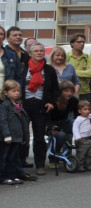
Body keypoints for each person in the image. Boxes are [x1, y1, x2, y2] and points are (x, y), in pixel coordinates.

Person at [22, 42, 60, 176]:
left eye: (41, 51)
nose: (39, 53)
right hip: (24, 104)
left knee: (39, 137)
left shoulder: (49, 69)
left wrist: (51, 102)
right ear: (30, 53)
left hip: (41, 105)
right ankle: (19, 164)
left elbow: (56, 88)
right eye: (36, 51)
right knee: (22, 135)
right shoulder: (23, 67)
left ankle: (40, 165)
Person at [0, 80, 37, 183]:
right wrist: (6, 135)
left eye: (18, 91)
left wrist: (24, 137)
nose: (17, 93)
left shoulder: (18, 105)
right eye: (13, 91)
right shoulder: (5, 105)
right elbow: (3, 121)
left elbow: (23, 122)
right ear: (5, 92)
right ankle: (3, 177)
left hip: (17, 137)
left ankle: (13, 175)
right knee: (4, 157)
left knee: (13, 158)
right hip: (8, 137)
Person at [46, 80, 80, 162]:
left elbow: (77, 116)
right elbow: (46, 117)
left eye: (71, 91)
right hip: (52, 122)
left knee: (72, 126)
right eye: (66, 91)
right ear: (60, 91)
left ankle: (68, 154)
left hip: (65, 121)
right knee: (61, 135)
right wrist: (50, 129)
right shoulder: (53, 100)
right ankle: (54, 156)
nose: (69, 93)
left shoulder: (73, 101)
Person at [72, 100, 91, 171]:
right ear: (79, 111)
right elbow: (75, 128)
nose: (87, 111)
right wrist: (78, 137)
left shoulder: (89, 116)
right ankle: (79, 165)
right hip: (82, 140)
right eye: (85, 109)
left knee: (90, 153)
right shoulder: (78, 119)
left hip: (89, 139)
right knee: (81, 153)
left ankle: (88, 164)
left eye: (89, 109)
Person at [68, 35, 91, 103]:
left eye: (83, 42)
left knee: (85, 112)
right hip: (69, 91)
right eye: (79, 42)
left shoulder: (88, 57)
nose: (82, 44)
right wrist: (84, 73)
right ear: (72, 43)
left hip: (85, 92)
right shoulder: (66, 56)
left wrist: (72, 72)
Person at [2, 26, 29, 92]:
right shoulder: (4, 54)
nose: (18, 37)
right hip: (7, 90)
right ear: (8, 38)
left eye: (20, 35)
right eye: (15, 35)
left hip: (23, 89)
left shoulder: (25, 54)